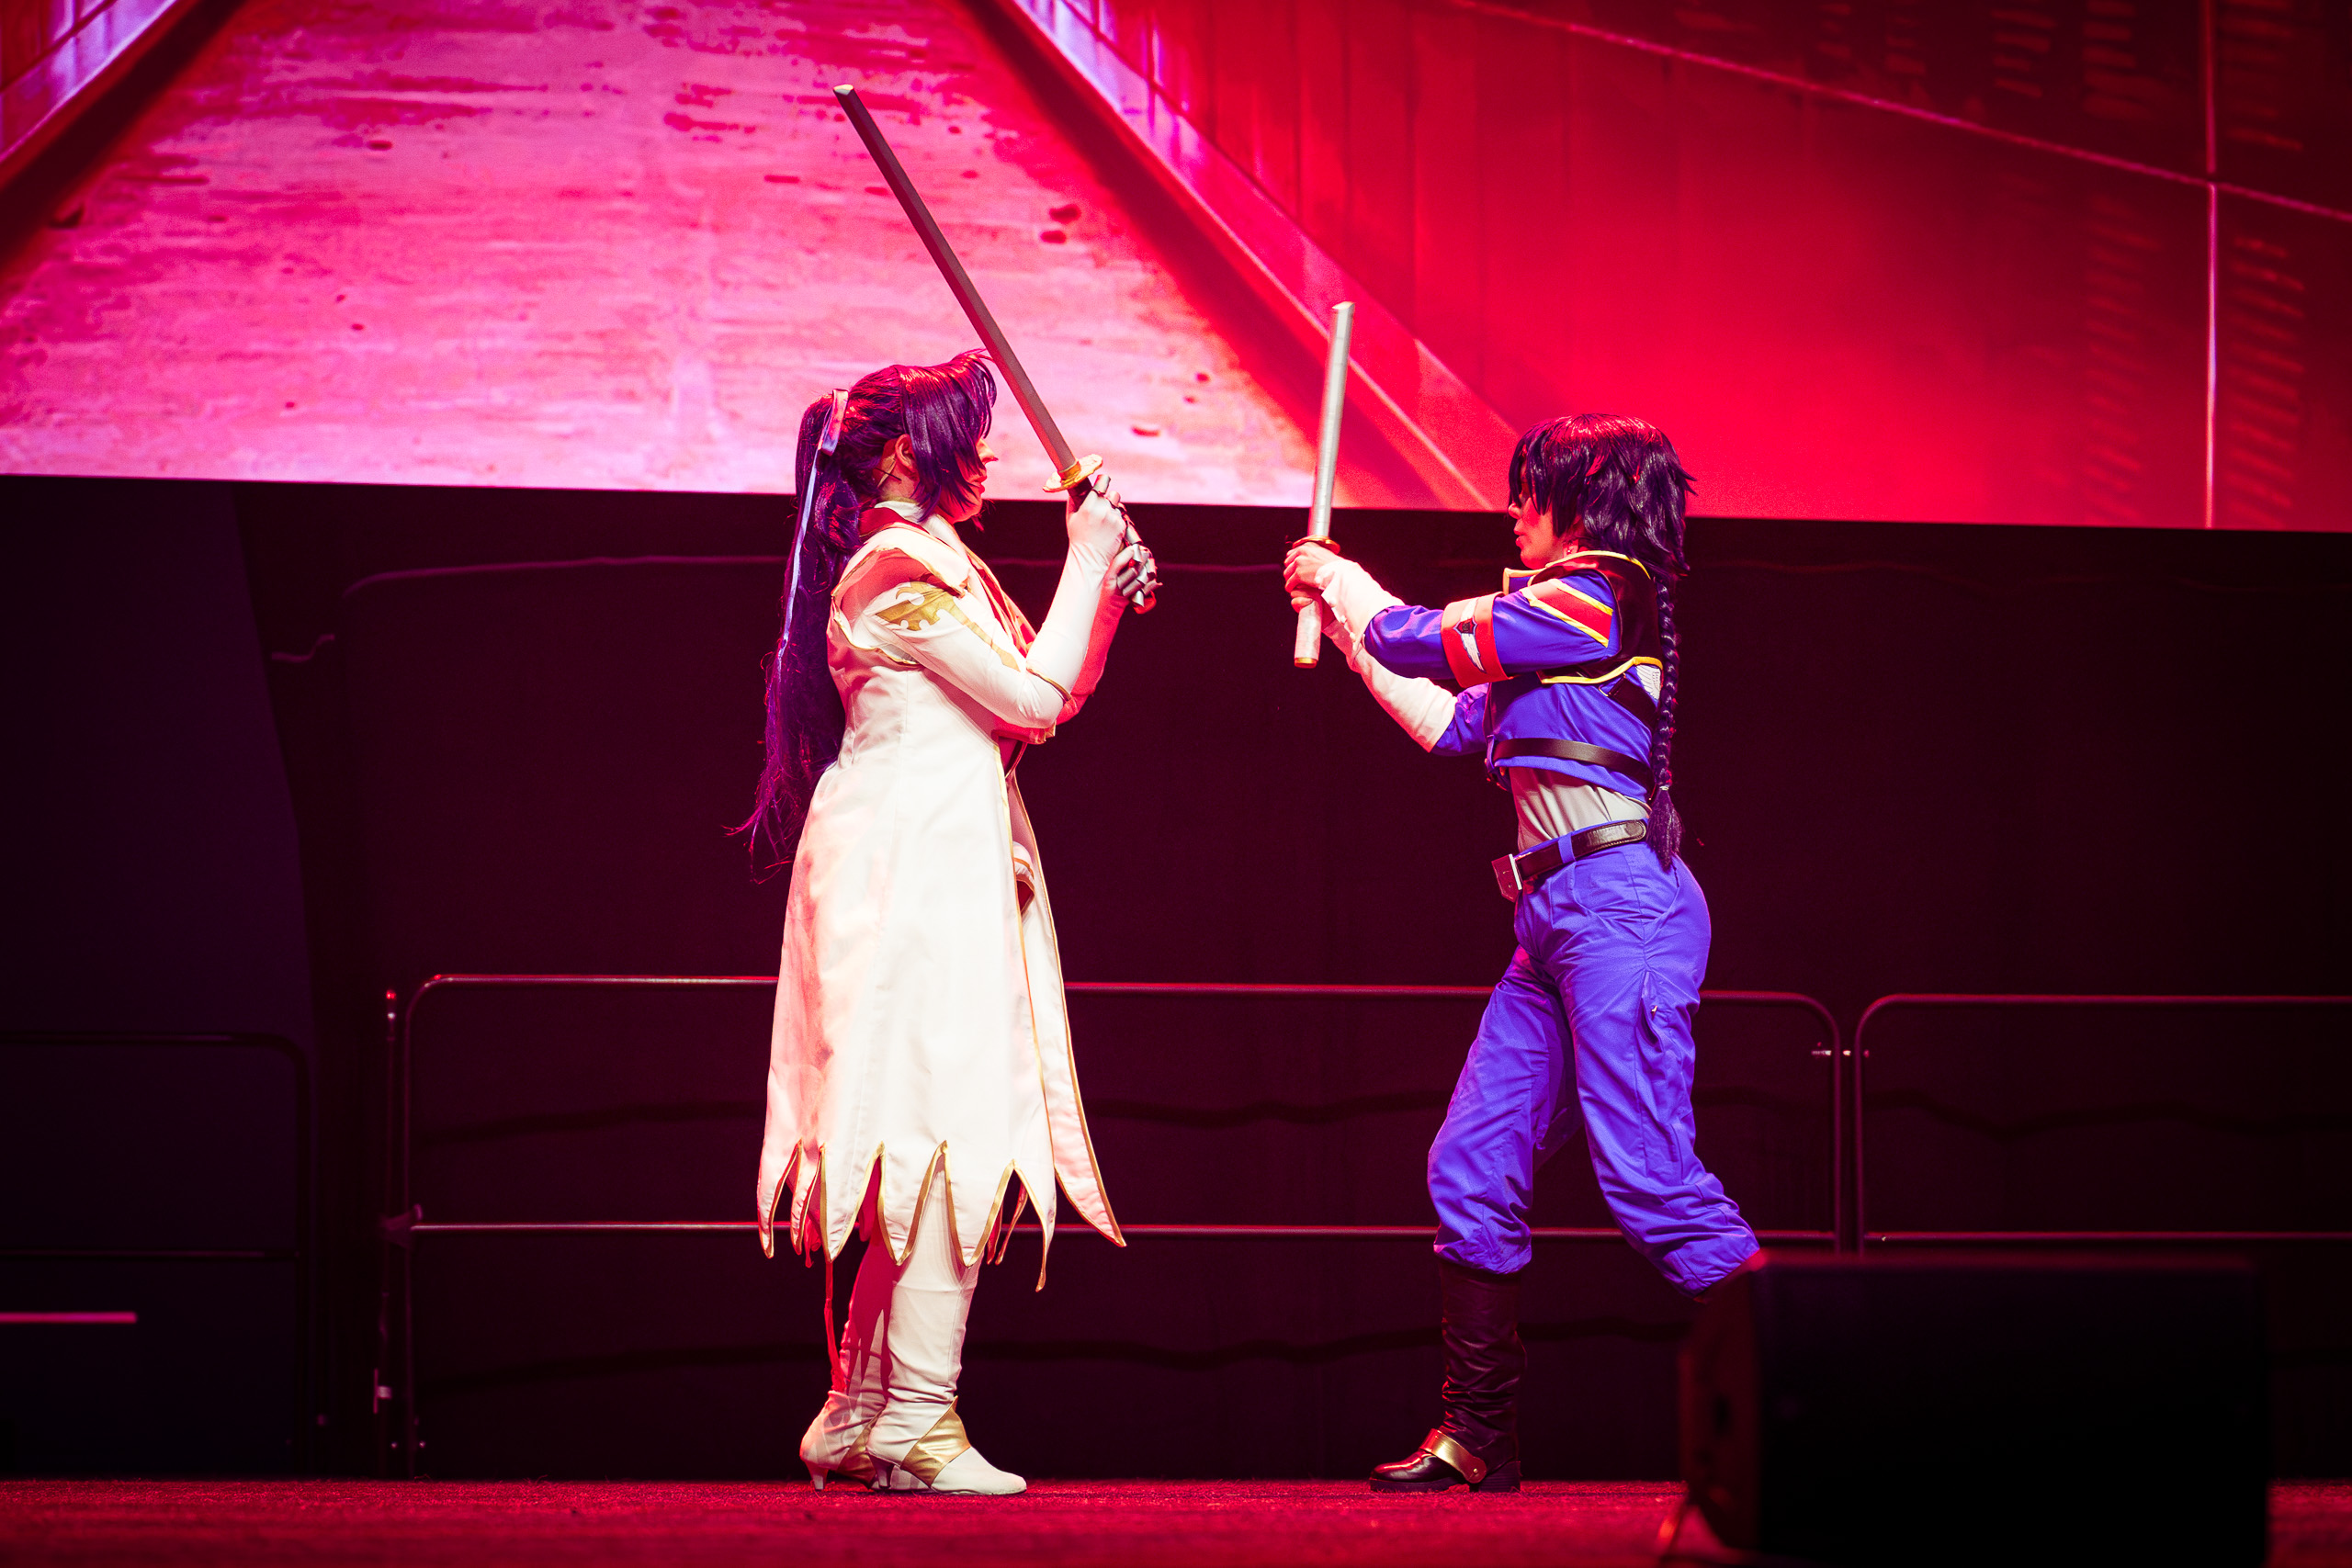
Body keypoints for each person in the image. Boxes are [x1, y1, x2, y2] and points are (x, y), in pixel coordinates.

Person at [1283, 412, 1758, 1494]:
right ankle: (1477, 1434)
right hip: (1554, 923)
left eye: (1527, 490)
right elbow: (1443, 718)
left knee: (1652, 1184)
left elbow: (1419, 638)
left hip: (1623, 913)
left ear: (1581, 501)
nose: (1511, 509)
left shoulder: (1600, 594)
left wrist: (1340, 581)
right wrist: (1344, 617)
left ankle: (1831, 1396)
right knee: (1471, 1164)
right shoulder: (1561, 618)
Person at [747, 351, 1153, 1496]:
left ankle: (858, 1414)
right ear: (895, 456)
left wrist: (1099, 592)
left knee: (921, 1134)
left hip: (934, 857)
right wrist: (1086, 558)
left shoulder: (933, 562)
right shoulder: (890, 570)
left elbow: (1046, 702)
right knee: (941, 1129)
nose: (981, 459)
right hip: (906, 872)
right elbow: (1029, 696)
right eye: (961, 440)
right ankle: (918, 1423)